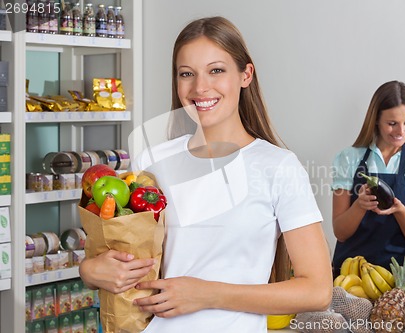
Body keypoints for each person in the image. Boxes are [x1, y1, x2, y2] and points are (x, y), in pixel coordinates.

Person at [79, 16, 332, 333]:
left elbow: (318, 290)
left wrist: (208, 294)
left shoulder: (278, 166)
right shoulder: (152, 161)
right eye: (187, 74)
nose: (200, 87)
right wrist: (90, 271)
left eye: (216, 70)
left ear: (245, 74)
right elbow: (118, 253)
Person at [331, 80, 405, 276]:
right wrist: (359, 205)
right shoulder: (348, 159)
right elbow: (340, 232)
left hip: (401, 284)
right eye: (392, 124)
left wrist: (399, 211)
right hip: (350, 279)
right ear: (376, 119)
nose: (401, 132)